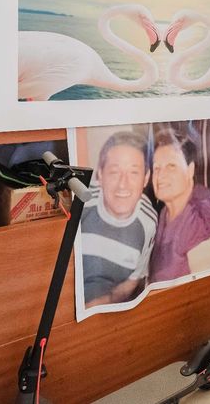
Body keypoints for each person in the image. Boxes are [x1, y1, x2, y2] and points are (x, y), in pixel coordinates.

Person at [149, 130, 210, 283]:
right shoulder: (165, 211)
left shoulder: (203, 213)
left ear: (190, 170)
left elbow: (203, 289)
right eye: (157, 168)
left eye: (171, 166)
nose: (160, 175)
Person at [79, 131, 157, 308]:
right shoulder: (82, 203)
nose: (123, 184)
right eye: (114, 172)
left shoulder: (149, 222)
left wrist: (99, 305)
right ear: (100, 175)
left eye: (133, 173)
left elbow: (131, 282)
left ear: (146, 178)